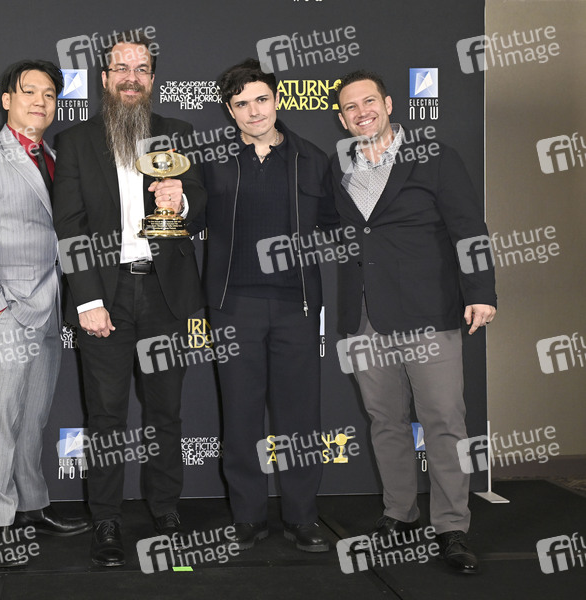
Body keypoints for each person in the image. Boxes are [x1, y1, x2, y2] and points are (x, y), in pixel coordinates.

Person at [331, 70, 496, 574]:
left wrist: (481, 292)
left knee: (444, 421)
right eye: (350, 107)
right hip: (365, 316)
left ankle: (451, 526)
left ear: (388, 104)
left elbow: (468, 227)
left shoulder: (435, 157)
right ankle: (399, 513)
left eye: (369, 102)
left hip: (429, 313)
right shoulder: (338, 166)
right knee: (385, 421)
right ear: (342, 118)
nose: (361, 112)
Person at [52, 30, 206, 567]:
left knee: (166, 411)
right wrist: (86, 300)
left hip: (165, 294)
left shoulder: (179, 133)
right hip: (106, 294)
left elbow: (201, 207)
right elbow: (69, 226)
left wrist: (180, 202)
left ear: (152, 79)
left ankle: (165, 509)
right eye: (121, 68)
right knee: (106, 415)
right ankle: (107, 518)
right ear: (105, 78)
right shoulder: (75, 141)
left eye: (141, 69)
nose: (131, 78)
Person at [0, 59, 91, 567]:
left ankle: (33, 505)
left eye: (49, 94)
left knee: (33, 418)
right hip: (4, 312)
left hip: (48, 309)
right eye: (29, 91)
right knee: (2, 421)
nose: (40, 101)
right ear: (6, 99)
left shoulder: (53, 157)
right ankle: (0, 524)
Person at [202, 59, 337, 553]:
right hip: (233, 304)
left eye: (261, 99)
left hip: (295, 307)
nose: (254, 110)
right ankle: (248, 517)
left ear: (276, 100)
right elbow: (189, 218)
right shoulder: (213, 160)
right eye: (241, 103)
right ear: (229, 110)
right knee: (240, 418)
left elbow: (335, 224)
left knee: (299, 416)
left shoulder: (312, 159)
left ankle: (302, 516)